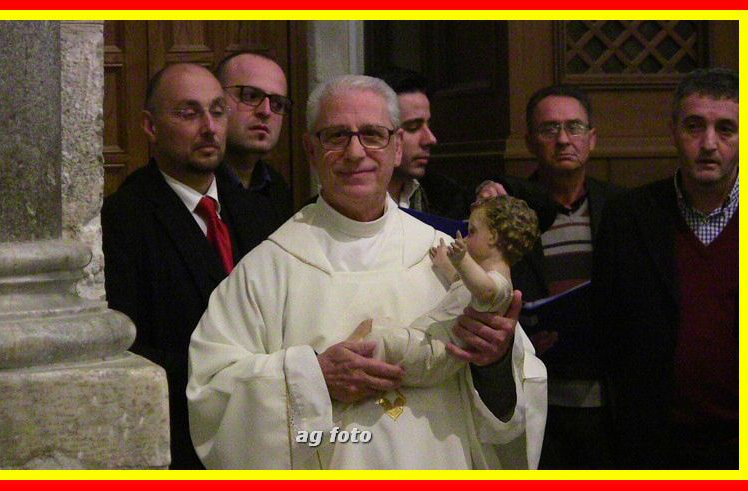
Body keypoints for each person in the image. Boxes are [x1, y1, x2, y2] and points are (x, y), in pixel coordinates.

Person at [186, 75, 547, 469]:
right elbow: (211, 395)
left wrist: (493, 361)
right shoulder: (268, 269)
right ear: (310, 149)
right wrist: (315, 378)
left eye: (373, 135)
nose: (355, 153)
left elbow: (517, 399)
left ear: (396, 147)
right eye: (337, 136)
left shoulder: (447, 254)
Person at [101, 63, 278, 469]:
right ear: (150, 126)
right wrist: (239, 381)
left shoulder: (257, 210)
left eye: (217, 111)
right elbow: (125, 346)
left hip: (264, 432)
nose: (209, 127)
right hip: (182, 438)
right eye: (188, 113)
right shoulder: (124, 219)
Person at [592, 67, 739, 469]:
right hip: (653, 442)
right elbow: (607, 326)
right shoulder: (628, 216)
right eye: (694, 126)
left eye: (726, 129)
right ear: (673, 130)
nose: (708, 144)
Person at [476, 85, 622, 469]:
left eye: (574, 127)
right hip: (535, 396)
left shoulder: (621, 208)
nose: (563, 139)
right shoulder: (509, 213)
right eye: (549, 129)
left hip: (608, 399)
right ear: (529, 141)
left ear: (592, 138)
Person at [361, 196, 541, 390]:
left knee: (376, 341)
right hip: (430, 345)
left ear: (493, 237)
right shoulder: (480, 282)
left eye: (472, 232)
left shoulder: (500, 285)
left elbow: (485, 289)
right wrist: (446, 265)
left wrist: (462, 260)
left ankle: (346, 375)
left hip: (436, 352)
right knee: (371, 327)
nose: (465, 239)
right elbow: (462, 284)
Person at [374, 67, 473, 220]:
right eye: (413, 127)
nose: (431, 139)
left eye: (428, 125)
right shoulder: (349, 203)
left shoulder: (444, 196)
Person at [215, 51, 295, 227]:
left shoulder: (277, 188)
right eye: (250, 96)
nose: (266, 111)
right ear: (216, 102)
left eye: (277, 103)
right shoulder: (195, 186)